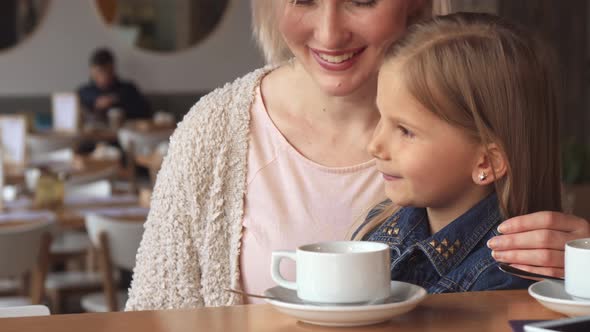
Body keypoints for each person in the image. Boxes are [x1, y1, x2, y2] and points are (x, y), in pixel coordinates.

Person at [125, 0, 589, 310]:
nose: (329, 31)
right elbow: (152, 312)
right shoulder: (213, 130)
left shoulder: (490, 148)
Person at [351, 12, 559, 292]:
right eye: (381, 117)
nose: (374, 145)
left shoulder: (506, 276)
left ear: (487, 162)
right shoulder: (380, 224)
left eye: (405, 130)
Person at [78, 48, 151, 122]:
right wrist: (96, 102)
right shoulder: (83, 92)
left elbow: (146, 113)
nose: (103, 77)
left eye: (107, 71)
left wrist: (117, 100)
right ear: (92, 71)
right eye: (98, 73)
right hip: (93, 132)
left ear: (113, 69)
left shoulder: (128, 89)